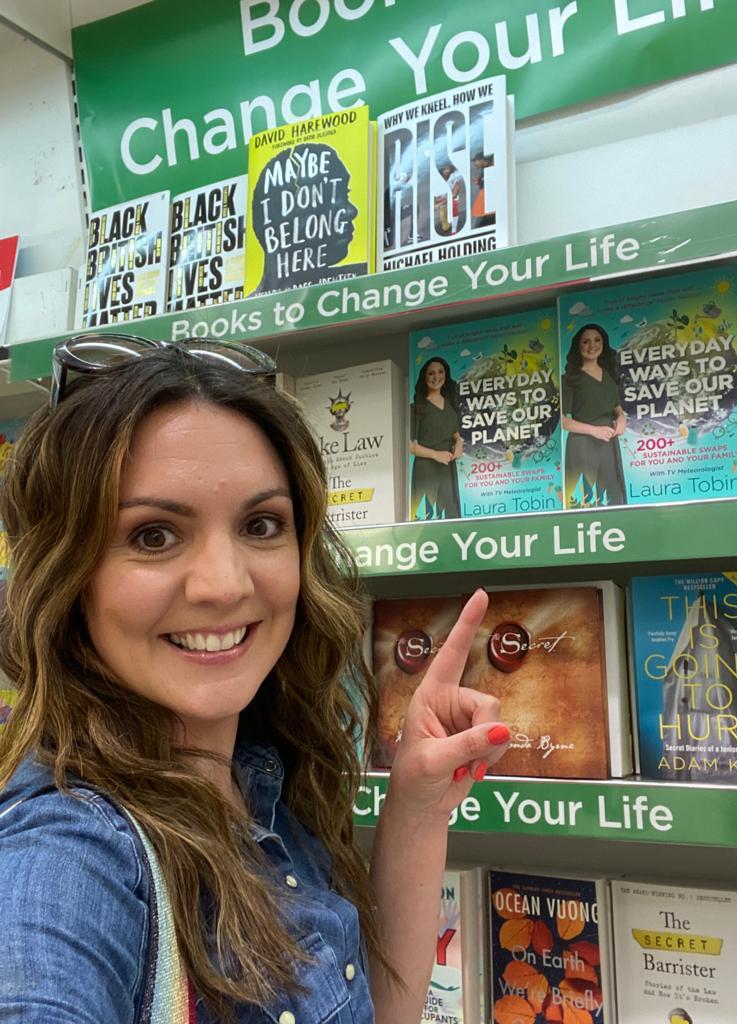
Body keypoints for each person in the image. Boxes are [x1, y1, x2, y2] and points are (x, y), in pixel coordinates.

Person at [0, 334, 510, 1024]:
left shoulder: (258, 779)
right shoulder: (73, 854)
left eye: (261, 524)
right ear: (69, 576)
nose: (224, 584)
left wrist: (418, 805)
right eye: (153, 535)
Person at [249, 142, 365, 296]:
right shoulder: (239, 314)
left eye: (345, 194)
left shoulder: (362, 282)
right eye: (328, 197)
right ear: (284, 215)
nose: (351, 211)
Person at [561, 323, 628, 507]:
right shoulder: (569, 379)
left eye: (597, 340)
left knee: (613, 497)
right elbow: (562, 421)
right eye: (586, 341)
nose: (592, 345)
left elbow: (616, 407)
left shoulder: (609, 374)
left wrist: (621, 418)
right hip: (582, 444)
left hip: (608, 444)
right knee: (585, 500)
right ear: (578, 346)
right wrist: (593, 430)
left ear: (604, 343)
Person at [409, 356, 463, 520]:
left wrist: (459, 443)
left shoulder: (450, 405)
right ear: (424, 377)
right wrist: (436, 454)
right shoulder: (417, 407)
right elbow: (409, 445)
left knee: (451, 516)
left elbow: (455, 433)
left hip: (447, 469)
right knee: (426, 518)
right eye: (431, 373)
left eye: (440, 372)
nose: (436, 377)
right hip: (426, 470)